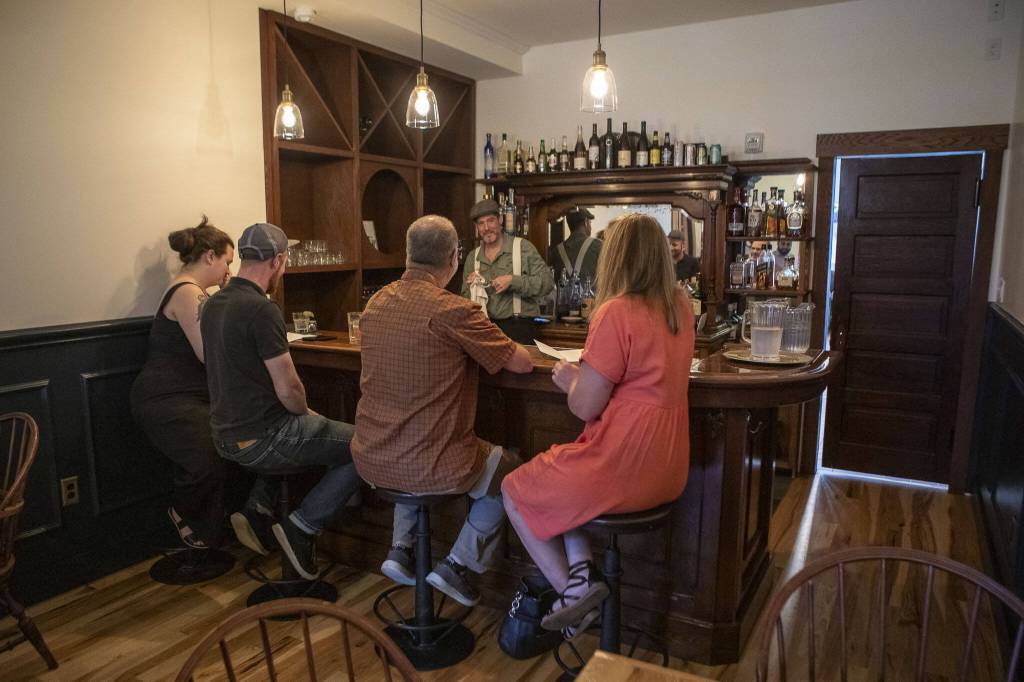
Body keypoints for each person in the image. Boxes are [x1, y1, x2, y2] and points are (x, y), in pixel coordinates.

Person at [501, 213, 695, 638]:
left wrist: (572, 380)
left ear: (615, 259)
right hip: (669, 465)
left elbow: (586, 407)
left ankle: (574, 598)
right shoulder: (681, 306)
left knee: (514, 489)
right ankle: (582, 575)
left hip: (623, 463)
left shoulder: (616, 312)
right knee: (560, 474)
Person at [353, 215, 534, 606]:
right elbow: (520, 362)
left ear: (407, 254)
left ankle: (401, 549)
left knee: (411, 441)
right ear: (454, 258)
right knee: (512, 473)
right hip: (430, 465)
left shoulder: (375, 304)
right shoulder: (455, 310)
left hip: (372, 458)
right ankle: (459, 565)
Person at [200, 222, 361, 580]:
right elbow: (289, 389)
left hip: (224, 435)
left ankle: (258, 509)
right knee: (366, 445)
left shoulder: (212, 305)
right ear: (277, 261)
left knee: (302, 434)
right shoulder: (262, 309)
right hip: (263, 436)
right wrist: (306, 413)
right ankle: (302, 527)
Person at [130, 216, 234, 549]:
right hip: (165, 398)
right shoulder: (189, 293)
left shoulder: (194, 292)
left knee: (221, 446)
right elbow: (209, 354)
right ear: (209, 256)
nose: (228, 271)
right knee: (208, 452)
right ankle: (185, 514)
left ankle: (207, 529)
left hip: (182, 395)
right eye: (227, 261)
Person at [461, 198, 554, 344]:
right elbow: (465, 301)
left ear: (500, 219)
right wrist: (473, 288)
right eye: (481, 223)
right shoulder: (473, 258)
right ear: (477, 227)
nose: (486, 228)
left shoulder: (523, 248)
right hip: (485, 328)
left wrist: (513, 281)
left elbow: (547, 283)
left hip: (519, 327)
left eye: (490, 221)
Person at [547, 207, 602, 283]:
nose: (591, 227)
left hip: (563, 295)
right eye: (590, 223)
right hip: (592, 295)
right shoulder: (598, 246)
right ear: (586, 222)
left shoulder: (556, 251)